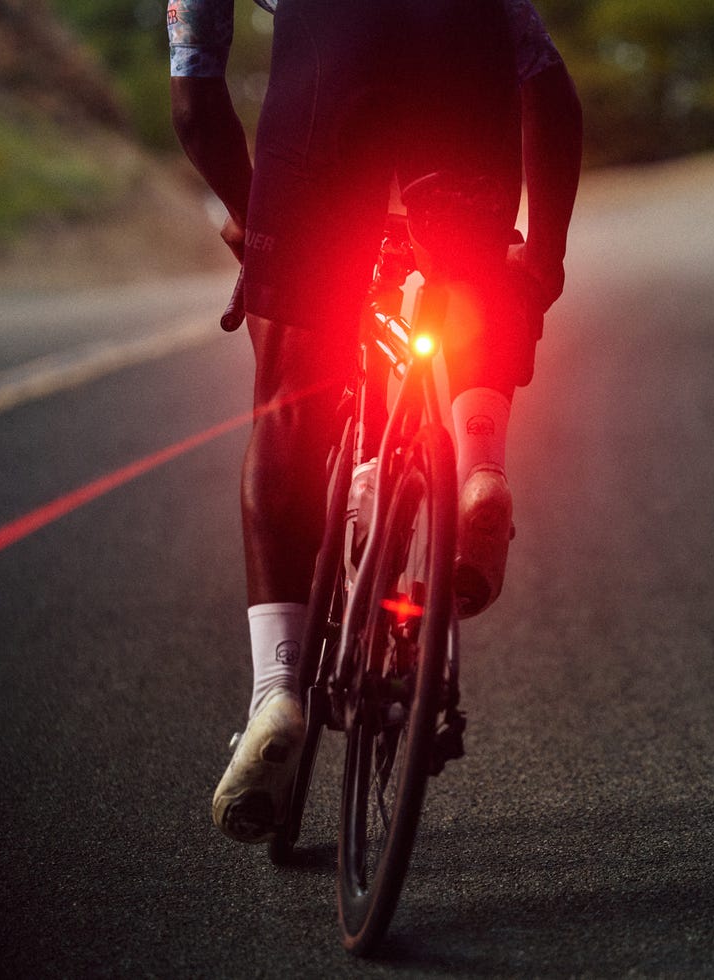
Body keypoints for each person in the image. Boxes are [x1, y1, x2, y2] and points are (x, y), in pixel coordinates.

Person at [168, 0, 582, 844]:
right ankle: (481, 465)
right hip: (457, 59)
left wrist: (265, 232)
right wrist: (543, 258)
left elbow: (194, 101)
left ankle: (276, 691)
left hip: (327, 76)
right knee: (472, 273)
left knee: (289, 402)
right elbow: (545, 83)